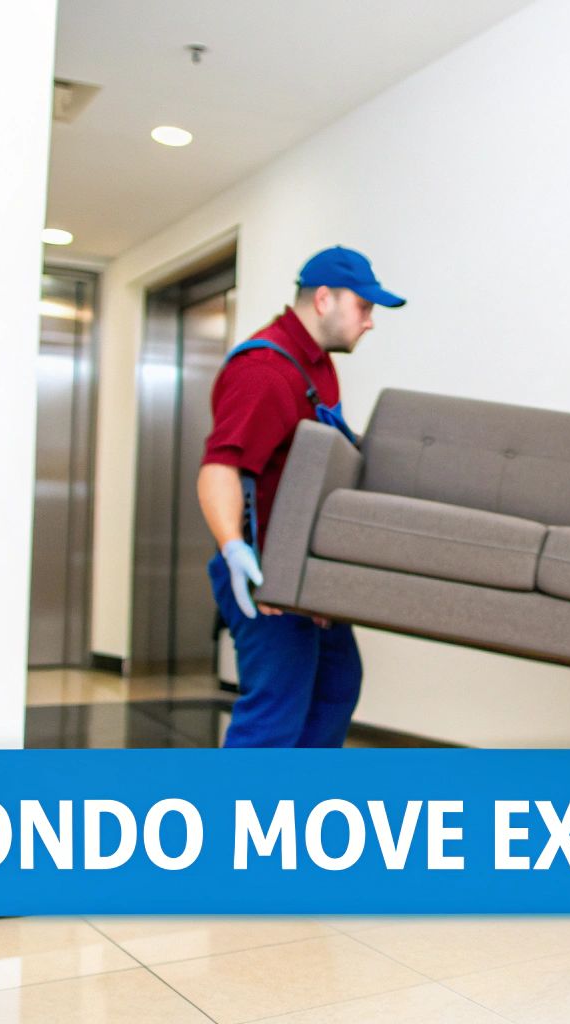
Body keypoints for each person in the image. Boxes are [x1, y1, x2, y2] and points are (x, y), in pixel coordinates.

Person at [195, 246, 404, 748]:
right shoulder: (266, 369)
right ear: (325, 299)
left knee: (334, 687)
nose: (371, 322)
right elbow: (220, 469)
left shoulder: (319, 367)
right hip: (263, 571)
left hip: (303, 574)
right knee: (274, 717)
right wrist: (234, 549)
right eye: (365, 307)